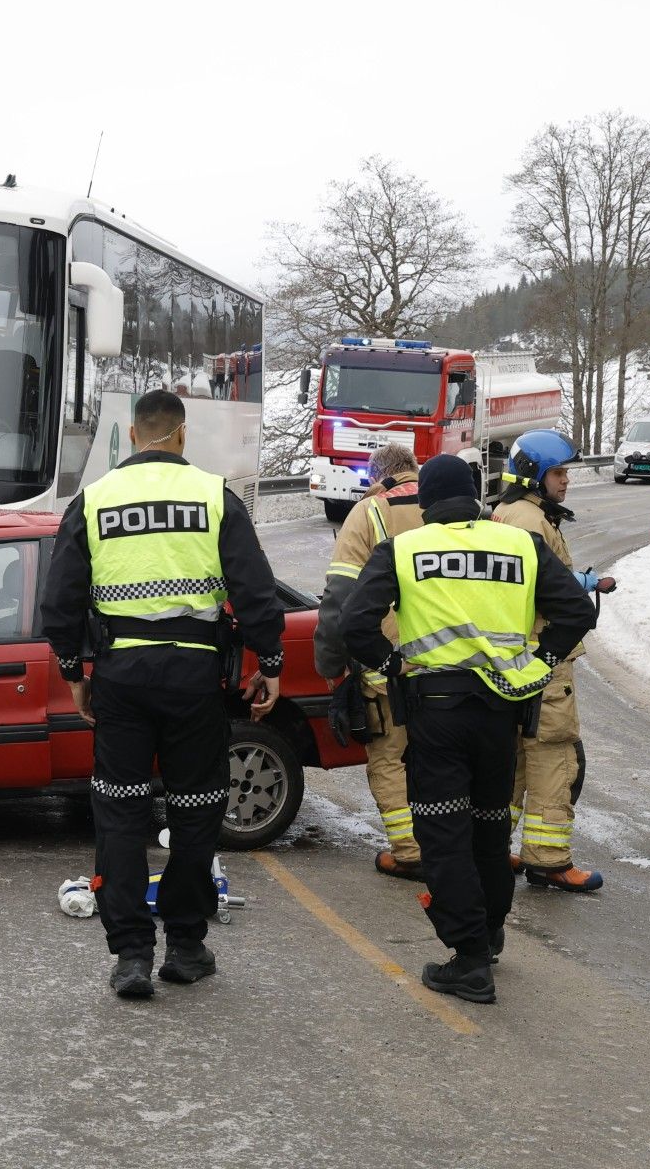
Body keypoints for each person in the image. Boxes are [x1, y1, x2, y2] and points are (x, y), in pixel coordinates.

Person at [42, 389, 287, 999]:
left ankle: (130, 955)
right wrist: (271, 663)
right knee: (197, 809)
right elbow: (255, 591)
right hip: (194, 676)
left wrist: (74, 673)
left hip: (121, 676)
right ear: (181, 434)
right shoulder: (214, 497)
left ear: (131, 435)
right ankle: (185, 946)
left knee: (120, 814)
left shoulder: (94, 500)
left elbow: (60, 600)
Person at [340, 455, 595, 1004]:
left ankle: (470, 959)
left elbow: (354, 622)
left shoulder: (404, 549)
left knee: (442, 833)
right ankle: (490, 932)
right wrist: (541, 664)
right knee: (488, 828)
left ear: (426, 503)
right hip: (502, 712)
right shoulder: (520, 544)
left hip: (437, 712)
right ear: (476, 496)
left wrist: (390, 665)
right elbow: (577, 610)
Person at [493, 430, 617, 892]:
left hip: (510, 655)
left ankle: (490, 849)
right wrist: (579, 593)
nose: (566, 481)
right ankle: (549, 859)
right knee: (553, 754)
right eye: (558, 473)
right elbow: (547, 589)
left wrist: (580, 580)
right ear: (533, 475)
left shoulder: (509, 513)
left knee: (514, 761)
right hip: (542, 657)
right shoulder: (531, 521)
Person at [313, 442, 425, 880]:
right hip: (456, 665)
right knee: (444, 758)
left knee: (390, 758)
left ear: (376, 476)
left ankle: (410, 851)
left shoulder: (369, 512)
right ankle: (454, 842)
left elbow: (340, 598)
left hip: (389, 665)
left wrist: (331, 666)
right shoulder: (456, 509)